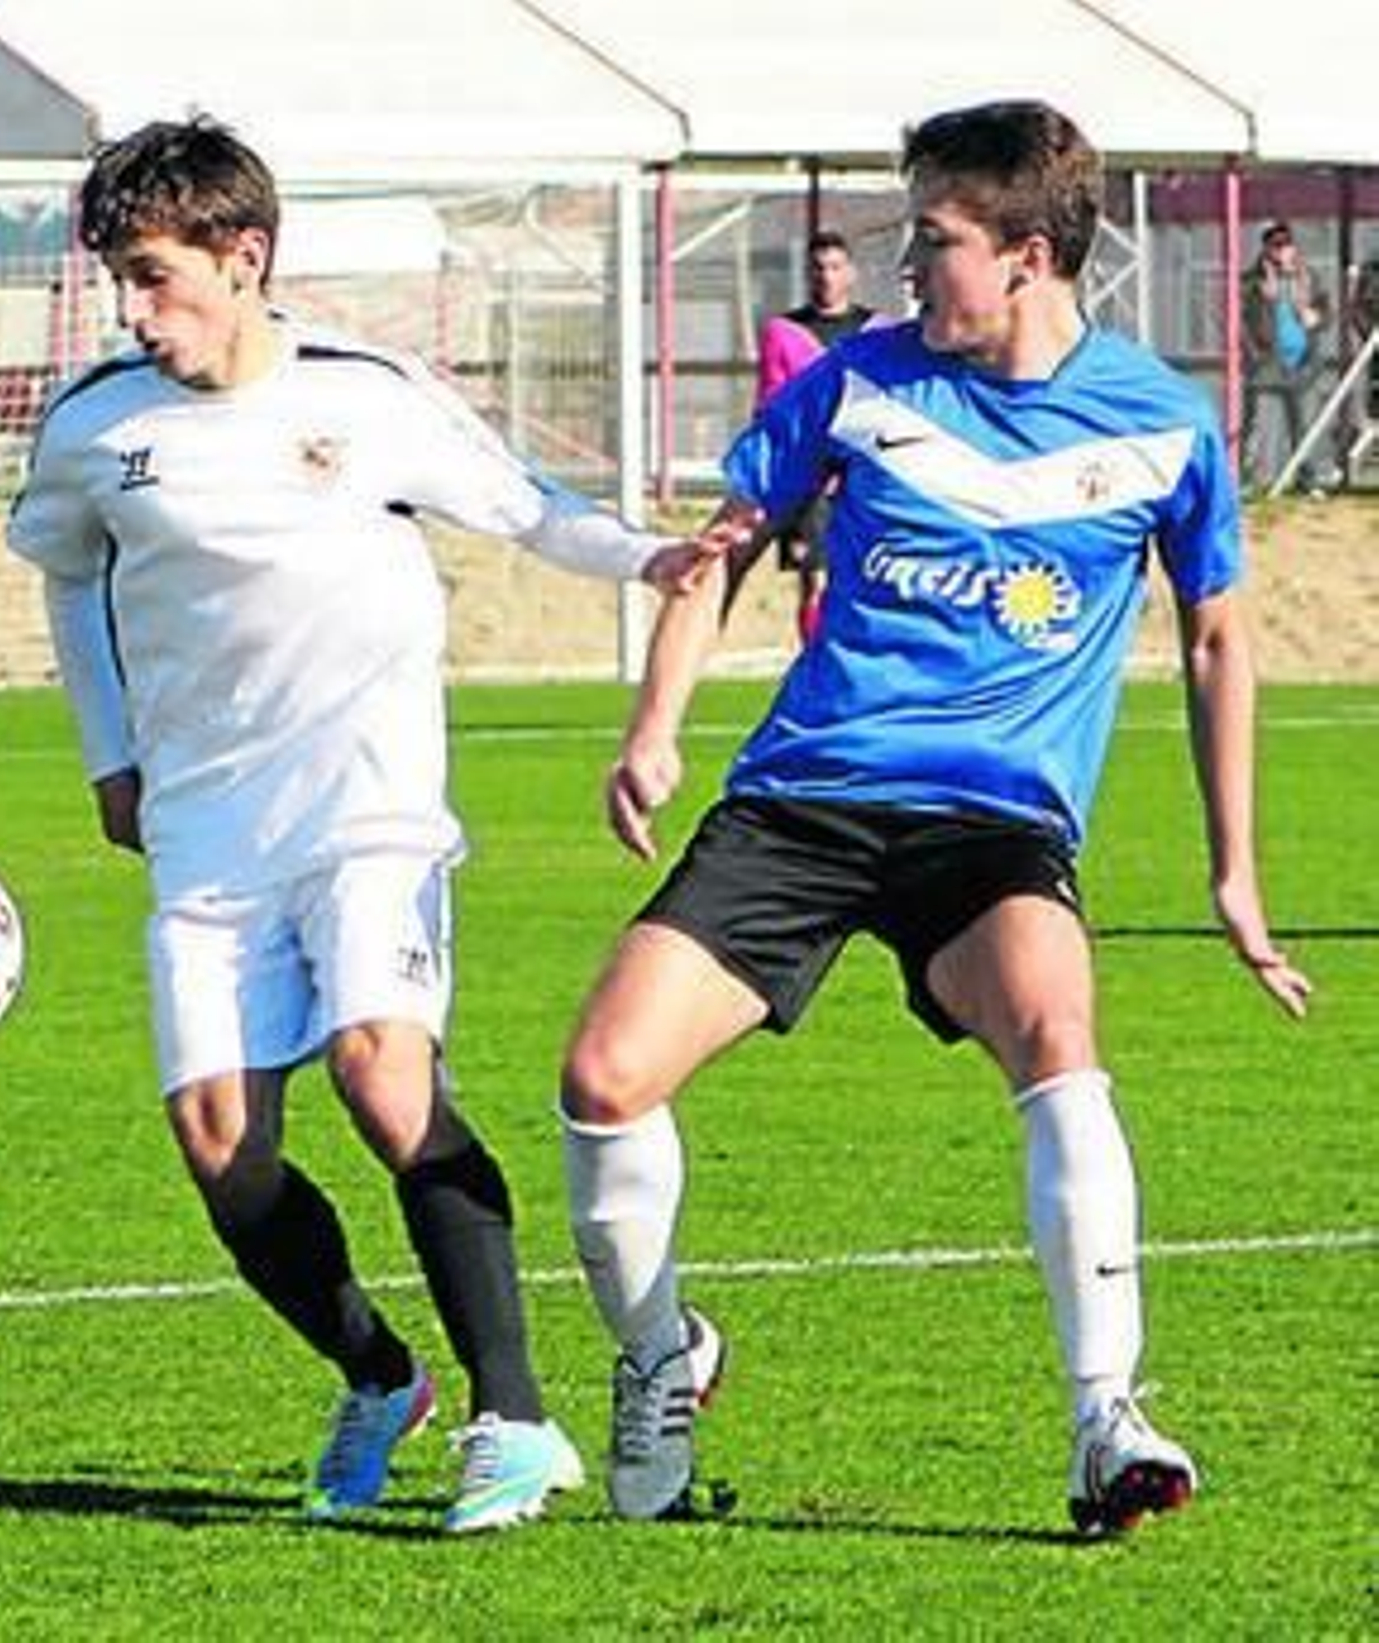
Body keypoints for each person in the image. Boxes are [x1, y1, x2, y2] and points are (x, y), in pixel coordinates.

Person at [557, 99, 1312, 1535]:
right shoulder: (852, 385)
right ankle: (663, 1353)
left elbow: (1220, 638)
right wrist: (655, 726)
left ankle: (1108, 1415)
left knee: (1054, 1029)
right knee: (603, 1075)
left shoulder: (1160, 423)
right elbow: (717, 559)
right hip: (803, 800)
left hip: (990, 823)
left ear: (1028, 253)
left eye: (937, 238)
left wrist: (1236, 871)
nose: (908, 266)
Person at [6, 116, 709, 1536]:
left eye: (153, 277)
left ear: (244, 256)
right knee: (222, 1141)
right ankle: (380, 1375)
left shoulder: (368, 394)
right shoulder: (94, 427)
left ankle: (516, 1417)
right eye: (117, 284)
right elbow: (71, 586)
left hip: (369, 806)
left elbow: (524, 511)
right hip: (206, 819)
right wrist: (111, 756)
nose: (133, 313)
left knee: (383, 1075)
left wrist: (653, 555)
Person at [754, 230, 877, 643]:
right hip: (812, 483)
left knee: (866, 577)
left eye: (835, 267)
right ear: (807, 274)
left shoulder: (877, 331)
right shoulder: (785, 332)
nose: (826, 276)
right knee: (815, 580)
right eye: (818, 268)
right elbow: (773, 406)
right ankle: (814, 664)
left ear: (851, 273)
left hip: (864, 477)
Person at [1241, 221, 1331, 494]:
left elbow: (1326, 311)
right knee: (1255, 425)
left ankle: (1308, 480)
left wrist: (1316, 317)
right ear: (1266, 248)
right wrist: (1252, 352)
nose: (1283, 250)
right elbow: (1240, 321)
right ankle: (1248, 479)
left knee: (1303, 424)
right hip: (1266, 363)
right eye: (1276, 245)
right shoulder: (1252, 281)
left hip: (1302, 362)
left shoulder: (1308, 277)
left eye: (1287, 243)